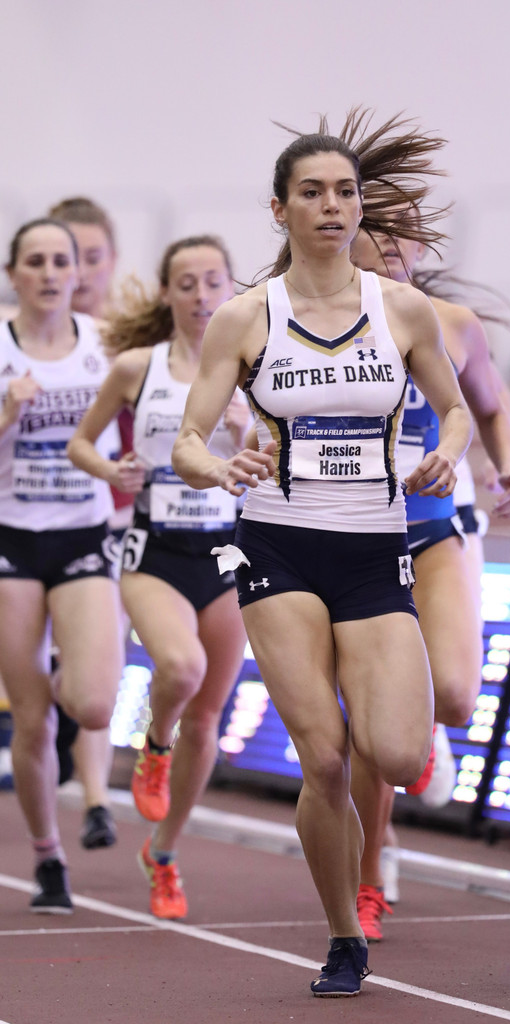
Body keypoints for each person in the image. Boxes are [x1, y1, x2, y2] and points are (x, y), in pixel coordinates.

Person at [171, 110, 473, 997]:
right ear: (280, 210)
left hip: (376, 548)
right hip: (277, 544)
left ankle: (397, 753)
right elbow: (188, 440)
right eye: (313, 193)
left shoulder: (402, 310)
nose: (333, 206)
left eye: (345, 192)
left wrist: (448, 452)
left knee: (392, 751)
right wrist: (222, 465)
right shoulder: (243, 317)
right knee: (327, 758)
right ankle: (344, 933)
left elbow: (452, 410)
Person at [348, 214, 510, 938]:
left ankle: (426, 730)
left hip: (433, 525)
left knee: (453, 698)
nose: (395, 248)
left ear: (424, 250)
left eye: (407, 236)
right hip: (348, 537)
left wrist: (507, 469)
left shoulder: (453, 324)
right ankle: (368, 879)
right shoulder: (316, 321)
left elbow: (491, 401)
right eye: (380, 233)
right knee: (367, 724)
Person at [68, 235, 248, 919]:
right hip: (154, 551)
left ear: (231, 290)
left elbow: (280, 460)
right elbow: (82, 442)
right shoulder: (138, 367)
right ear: (168, 294)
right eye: (187, 283)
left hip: (228, 554)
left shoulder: (255, 370)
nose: (201, 296)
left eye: (212, 282)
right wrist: (112, 469)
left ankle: (164, 854)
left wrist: (248, 433)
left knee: (210, 716)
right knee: (179, 666)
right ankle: (152, 745)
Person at [0, 217, 122, 912]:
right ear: (14, 274)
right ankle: (48, 855)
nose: (48, 273)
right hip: (11, 537)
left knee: (95, 702)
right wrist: (5, 412)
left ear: (80, 274)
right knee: (31, 721)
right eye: (34, 262)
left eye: (60, 262)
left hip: (81, 533)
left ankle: (67, 660)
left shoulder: (105, 346)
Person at [48, 196, 124, 851]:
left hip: (119, 526)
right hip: (32, 525)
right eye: (67, 259)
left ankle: (97, 797)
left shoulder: (135, 339)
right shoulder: (22, 342)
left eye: (91, 258)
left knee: (101, 670)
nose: (77, 274)